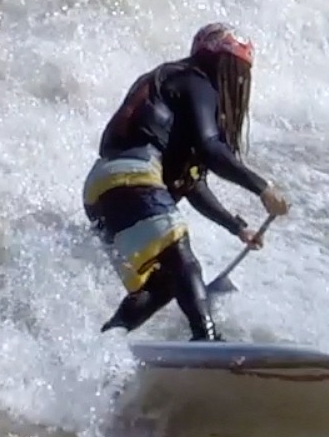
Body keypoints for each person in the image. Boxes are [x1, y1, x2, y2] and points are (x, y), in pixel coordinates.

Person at [83, 22, 291, 341]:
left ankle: (104, 345)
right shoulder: (196, 80)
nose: (238, 82)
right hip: (133, 175)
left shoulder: (171, 85)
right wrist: (263, 188)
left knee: (166, 281)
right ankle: (207, 339)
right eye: (237, 70)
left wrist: (236, 227)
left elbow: (191, 184)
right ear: (219, 62)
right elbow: (211, 149)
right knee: (185, 262)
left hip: (101, 186)